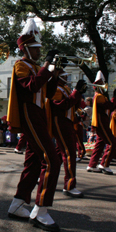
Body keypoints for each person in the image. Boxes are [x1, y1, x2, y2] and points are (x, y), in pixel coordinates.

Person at [6, 18, 60, 232]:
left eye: (40, 48)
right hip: (30, 114)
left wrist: (54, 72)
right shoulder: (21, 65)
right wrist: (46, 66)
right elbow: (32, 86)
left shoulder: (37, 66)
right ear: (26, 48)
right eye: (36, 48)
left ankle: (17, 204)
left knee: (34, 163)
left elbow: (47, 92)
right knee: (52, 160)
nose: (39, 51)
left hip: (39, 114)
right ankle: (41, 211)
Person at [50, 69, 87, 198]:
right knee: (69, 153)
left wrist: (79, 92)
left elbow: (73, 106)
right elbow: (62, 106)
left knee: (59, 155)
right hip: (60, 122)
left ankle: (46, 177)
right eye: (64, 74)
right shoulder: (56, 89)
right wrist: (76, 92)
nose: (67, 76)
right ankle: (69, 185)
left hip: (67, 122)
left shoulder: (65, 89)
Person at [87, 71, 116, 174]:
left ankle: (92, 165)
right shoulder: (99, 96)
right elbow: (109, 106)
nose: (103, 85)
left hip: (102, 123)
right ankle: (104, 164)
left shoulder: (101, 96)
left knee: (99, 145)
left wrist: (114, 99)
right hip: (102, 123)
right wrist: (114, 98)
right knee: (112, 143)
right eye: (101, 83)